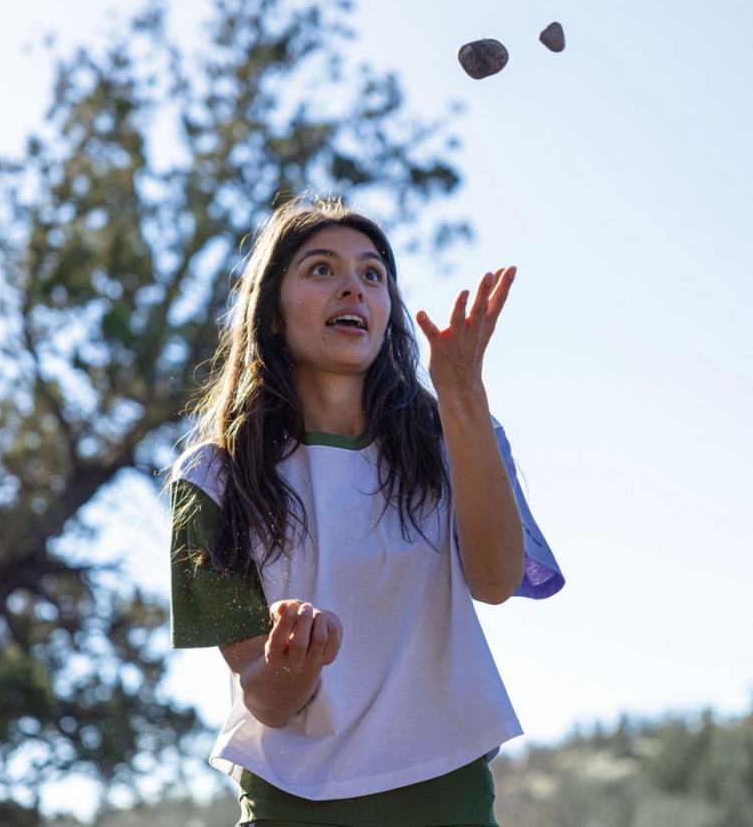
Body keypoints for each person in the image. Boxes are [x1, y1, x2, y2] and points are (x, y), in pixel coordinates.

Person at [169, 195, 564, 827]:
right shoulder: (214, 479)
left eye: (372, 274)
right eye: (322, 269)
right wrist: (293, 663)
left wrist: (462, 394)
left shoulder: (456, 437)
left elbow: (494, 582)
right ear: (272, 312)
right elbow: (265, 701)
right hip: (287, 806)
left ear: (386, 313)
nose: (353, 287)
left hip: (445, 796)